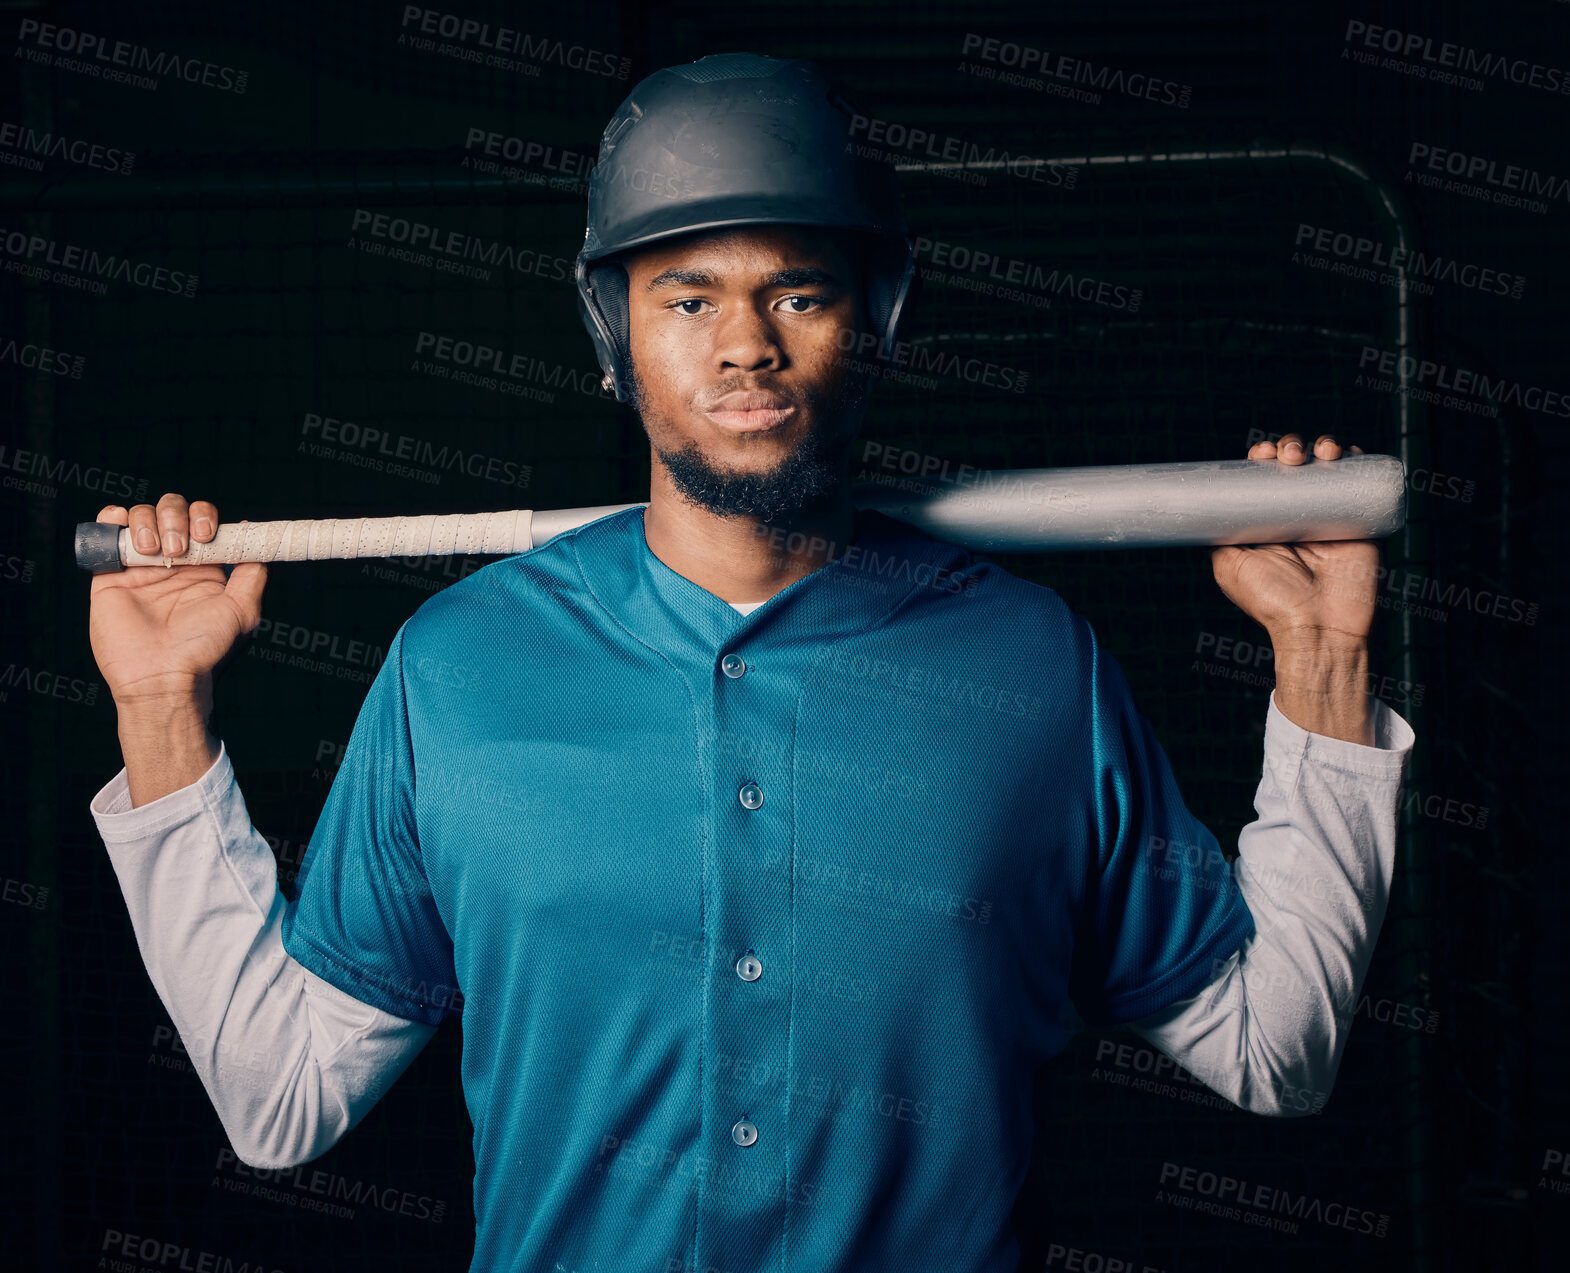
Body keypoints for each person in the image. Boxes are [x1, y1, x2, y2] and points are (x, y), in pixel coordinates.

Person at [86, 52, 1413, 1273]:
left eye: (796, 289)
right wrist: (157, 709)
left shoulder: (1033, 670)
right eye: (687, 295)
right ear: (612, 330)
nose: (743, 346)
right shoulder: (457, 669)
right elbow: (279, 1098)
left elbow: (1272, 1052)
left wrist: (1320, 651)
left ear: (877, 314)